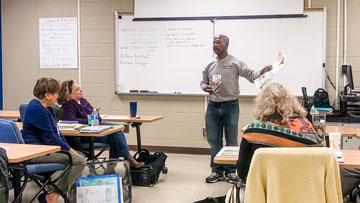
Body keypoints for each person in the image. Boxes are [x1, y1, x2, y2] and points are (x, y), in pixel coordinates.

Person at [237, 82, 360, 200]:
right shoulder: (306, 126)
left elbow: (243, 173)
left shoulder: (254, 131)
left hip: (271, 194)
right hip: (309, 192)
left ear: (262, 103)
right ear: (290, 101)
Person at [200, 34, 272, 183]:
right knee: (214, 141)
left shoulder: (235, 62)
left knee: (232, 140)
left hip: (231, 105)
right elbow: (202, 82)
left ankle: (231, 171)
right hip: (213, 106)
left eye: (218, 42)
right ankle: (216, 171)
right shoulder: (209, 64)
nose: (215, 45)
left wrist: (262, 71)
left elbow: (252, 76)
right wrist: (204, 87)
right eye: (213, 42)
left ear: (226, 44)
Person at [22, 77, 86, 203]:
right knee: (79, 160)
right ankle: (53, 196)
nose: (58, 95)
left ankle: (56, 188)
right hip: (36, 153)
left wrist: (69, 149)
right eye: (55, 93)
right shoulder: (37, 109)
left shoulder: (47, 108)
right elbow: (50, 139)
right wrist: (69, 150)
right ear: (47, 95)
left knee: (80, 155)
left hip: (46, 150)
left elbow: (58, 134)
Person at [57, 79, 144, 168]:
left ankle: (113, 164)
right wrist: (90, 120)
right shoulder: (68, 105)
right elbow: (72, 121)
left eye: (80, 88)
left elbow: (94, 112)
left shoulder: (83, 101)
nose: (81, 90)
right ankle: (125, 159)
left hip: (94, 127)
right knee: (115, 134)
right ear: (70, 94)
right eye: (77, 90)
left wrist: (95, 118)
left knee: (116, 130)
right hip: (83, 135)